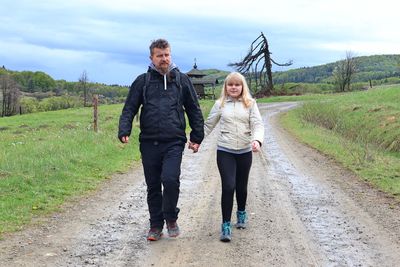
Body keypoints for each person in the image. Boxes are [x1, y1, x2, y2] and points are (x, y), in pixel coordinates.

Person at [118, 39, 204, 241]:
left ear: (170, 55)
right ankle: (155, 225)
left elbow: (194, 109)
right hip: (148, 142)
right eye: (160, 55)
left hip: (174, 141)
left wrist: (196, 137)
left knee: (170, 180)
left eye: (167, 54)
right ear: (152, 58)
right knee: (153, 185)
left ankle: (171, 218)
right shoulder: (142, 81)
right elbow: (130, 107)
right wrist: (124, 129)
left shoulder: (182, 80)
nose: (164, 59)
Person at [201, 72, 264, 242]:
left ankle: (241, 213)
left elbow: (257, 124)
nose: (234, 87)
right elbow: (208, 125)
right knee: (228, 186)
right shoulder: (219, 104)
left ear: (242, 87)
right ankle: (226, 225)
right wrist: (196, 141)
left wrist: (257, 140)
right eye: (230, 85)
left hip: (244, 151)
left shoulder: (250, 104)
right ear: (226, 87)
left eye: (237, 85)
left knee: (241, 186)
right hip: (225, 151)